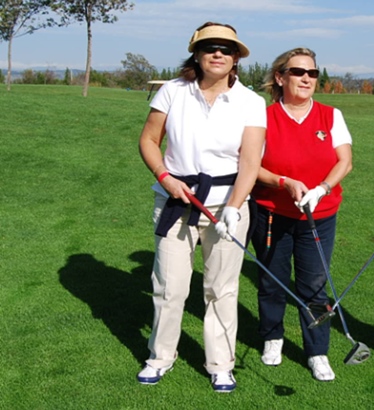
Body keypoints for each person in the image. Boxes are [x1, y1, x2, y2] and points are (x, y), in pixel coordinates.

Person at [136, 22, 266, 393]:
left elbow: (251, 161)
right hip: (175, 200)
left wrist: (235, 208)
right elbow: (148, 139)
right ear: (196, 52)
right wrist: (164, 177)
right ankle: (160, 356)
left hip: (228, 206)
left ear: (237, 56)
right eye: (210, 46)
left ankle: (221, 364)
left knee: (221, 289)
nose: (218, 53)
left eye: (227, 48)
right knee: (169, 286)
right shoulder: (173, 92)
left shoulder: (251, 101)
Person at [250, 47, 353, 382]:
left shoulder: (330, 115)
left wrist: (322, 188)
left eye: (312, 73)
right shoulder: (264, 116)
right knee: (272, 282)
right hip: (271, 213)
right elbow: (252, 167)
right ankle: (272, 337)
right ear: (280, 77)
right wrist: (284, 182)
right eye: (298, 72)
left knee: (314, 285)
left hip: (319, 215)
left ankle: (317, 351)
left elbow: (344, 161)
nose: (306, 78)